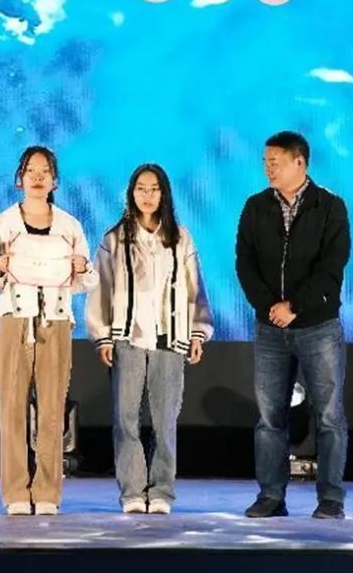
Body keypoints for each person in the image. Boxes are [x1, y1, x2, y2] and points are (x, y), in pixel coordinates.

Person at [0, 145, 98, 516]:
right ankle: (15, 491)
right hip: (14, 318)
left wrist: (81, 267)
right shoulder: (0, 223)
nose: (38, 176)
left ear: (55, 180)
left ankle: (47, 490)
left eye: (45, 171)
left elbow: (89, 280)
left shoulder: (69, 225)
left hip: (56, 320)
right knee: (12, 406)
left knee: (52, 407)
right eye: (31, 170)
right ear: (20, 178)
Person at [236, 131, 351, 520]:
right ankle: (271, 496)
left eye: (275, 162)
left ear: (299, 162)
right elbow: (244, 263)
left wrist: (295, 307)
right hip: (270, 328)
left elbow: (332, 267)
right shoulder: (255, 207)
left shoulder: (330, 207)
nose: (268, 169)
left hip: (318, 326)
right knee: (270, 418)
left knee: (329, 416)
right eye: (265, 162)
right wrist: (271, 307)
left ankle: (331, 499)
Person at [87, 163, 213, 515]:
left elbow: (195, 288)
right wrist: (102, 335)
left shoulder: (180, 238)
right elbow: (101, 288)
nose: (147, 195)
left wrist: (198, 331)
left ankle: (161, 491)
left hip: (168, 339)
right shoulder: (114, 239)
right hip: (127, 338)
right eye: (141, 189)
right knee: (125, 418)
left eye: (154, 189)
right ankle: (131, 491)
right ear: (131, 193)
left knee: (164, 421)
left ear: (164, 194)